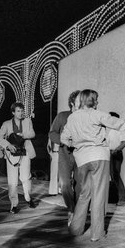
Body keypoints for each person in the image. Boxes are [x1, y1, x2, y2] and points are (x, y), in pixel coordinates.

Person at [60, 89, 125, 242]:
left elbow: (64, 139)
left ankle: (76, 229)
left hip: (82, 159)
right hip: (99, 156)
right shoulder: (96, 114)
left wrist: (78, 144)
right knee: (99, 195)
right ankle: (96, 234)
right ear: (92, 100)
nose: (97, 102)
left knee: (85, 194)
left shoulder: (72, 117)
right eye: (96, 99)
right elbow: (116, 122)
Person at [0, 102, 36, 214]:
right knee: (12, 181)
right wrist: (8, 145)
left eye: (22, 111)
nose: (21, 113)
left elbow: (32, 134)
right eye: (18, 111)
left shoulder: (28, 121)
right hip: (11, 154)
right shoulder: (6, 124)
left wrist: (24, 135)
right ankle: (14, 205)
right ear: (13, 112)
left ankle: (28, 199)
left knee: (26, 177)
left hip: (25, 152)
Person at [49, 90, 81, 223]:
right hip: (65, 154)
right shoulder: (62, 116)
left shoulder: (85, 117)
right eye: (80, 100)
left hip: (81, 156)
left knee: (80, 187)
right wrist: (62, 140)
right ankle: (71, 209)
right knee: (65, 185)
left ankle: (79, 212)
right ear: (72, 102)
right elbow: (52, 133)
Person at [107, 112, 125, 205]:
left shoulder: (120, 129)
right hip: (109, 154)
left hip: (116, 154)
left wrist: (115, 150)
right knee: (112, 175)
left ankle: (123, 198)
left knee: (115, 175)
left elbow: (124, 142)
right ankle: (116, 197)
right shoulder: (108, 130)